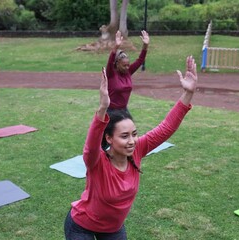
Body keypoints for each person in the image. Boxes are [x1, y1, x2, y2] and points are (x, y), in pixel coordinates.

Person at [64, 56, 197, 239]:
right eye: (124, 136)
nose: (132, 141)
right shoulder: (97, 161)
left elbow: (166, 128)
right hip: (81, 225)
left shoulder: (137, 151)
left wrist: (187, 93)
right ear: (109, 138)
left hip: (112, 228)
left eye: (134, 134)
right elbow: (91, 147)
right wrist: (102, 109)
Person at [105, 30, 150, 114]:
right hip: (111, 112)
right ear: (117, 64)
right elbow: (110, 60)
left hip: (124, 111)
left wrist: (145, 45)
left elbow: (140, 60)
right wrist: (116, 46)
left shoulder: (128, 72)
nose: (127, 67)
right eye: (124, 65)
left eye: (128, 65)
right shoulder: (111, 74)